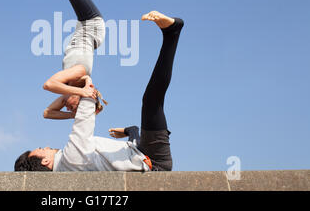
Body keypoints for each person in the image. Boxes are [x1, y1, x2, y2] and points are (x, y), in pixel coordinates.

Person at [14, 10, 184, 172]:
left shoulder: (69, 166)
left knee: (150, 102)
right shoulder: (70, 157)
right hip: (152, 160)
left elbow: (49, 112)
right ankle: (171, 34)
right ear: (45, 161)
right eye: (41, 149)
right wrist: (86, 86)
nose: (45, 146)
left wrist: (128, 131)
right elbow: (83, 120)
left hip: (140, 152)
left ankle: (171, 35)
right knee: (151, 101)